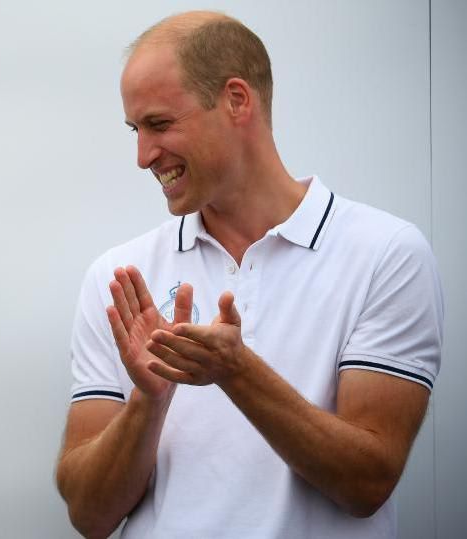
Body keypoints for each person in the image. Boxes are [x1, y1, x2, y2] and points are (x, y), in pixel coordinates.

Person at [56, 11, 443, 538]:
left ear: (237, 100)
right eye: (135, 129)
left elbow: (367, 482)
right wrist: (148, 400)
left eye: (160, 124)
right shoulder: (119, 277)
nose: (143, 155)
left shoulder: (386, 254)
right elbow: (89, 516)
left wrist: (238, 371)